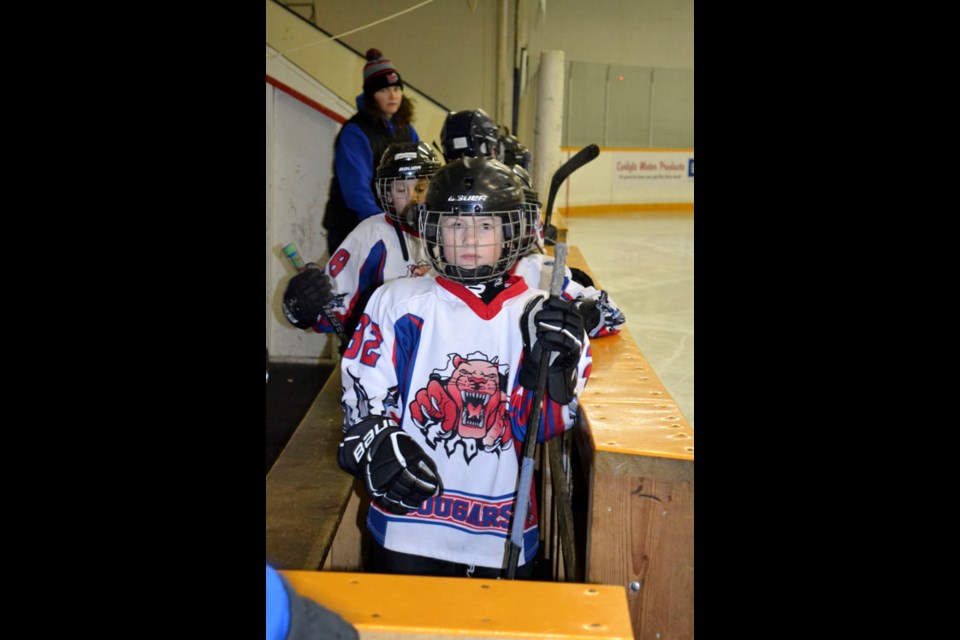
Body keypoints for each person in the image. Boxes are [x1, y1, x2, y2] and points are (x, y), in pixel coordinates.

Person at [334, 156, 591, 579]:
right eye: (455, 224)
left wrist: (551, 370)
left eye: (486, 225)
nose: (469, 237)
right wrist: (375, 441)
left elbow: (540, 428)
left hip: (501, 527)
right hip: (408, 526)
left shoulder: (538, 314)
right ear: (434, 229)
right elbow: (364, 399)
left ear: (511, 231)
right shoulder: (398, 303)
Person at [282, 142, 440, 348]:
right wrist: (305, 304)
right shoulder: (371, 235)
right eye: (401, 189)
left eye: (420, 188)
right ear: (388, 194)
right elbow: (329, 309)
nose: (412, 199)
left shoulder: (449, 231)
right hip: (381, 357)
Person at [322, 48, 419, 255]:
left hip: (393, 227)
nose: (392, 96)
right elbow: (356, 191)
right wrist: (383, 223)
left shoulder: (407, 130)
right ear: (371, 95)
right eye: (383, 90)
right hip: (353, 228)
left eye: (396, 89)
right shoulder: (355, 132)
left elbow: (420, 177)